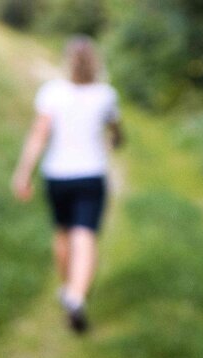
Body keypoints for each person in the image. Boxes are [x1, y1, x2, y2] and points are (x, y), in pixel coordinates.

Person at [11, 36, 123, 333]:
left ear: (67, 62)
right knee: (85, 236)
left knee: (62, 234)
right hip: (91, 174)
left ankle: (66, 288)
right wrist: (116, 139)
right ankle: (77, 296)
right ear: (96, 63)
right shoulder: (106, 95)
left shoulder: (52, 93)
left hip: (57, 175)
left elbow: (39, 136)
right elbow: (116, 132)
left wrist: (23, 174)